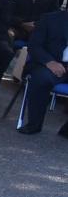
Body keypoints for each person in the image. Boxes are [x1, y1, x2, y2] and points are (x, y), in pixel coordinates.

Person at [19, 8, 68, 136]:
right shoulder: (49, 19)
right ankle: (34, 124)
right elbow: (34, 45)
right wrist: (49, 62)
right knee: (41, 79)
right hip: (50, 63)